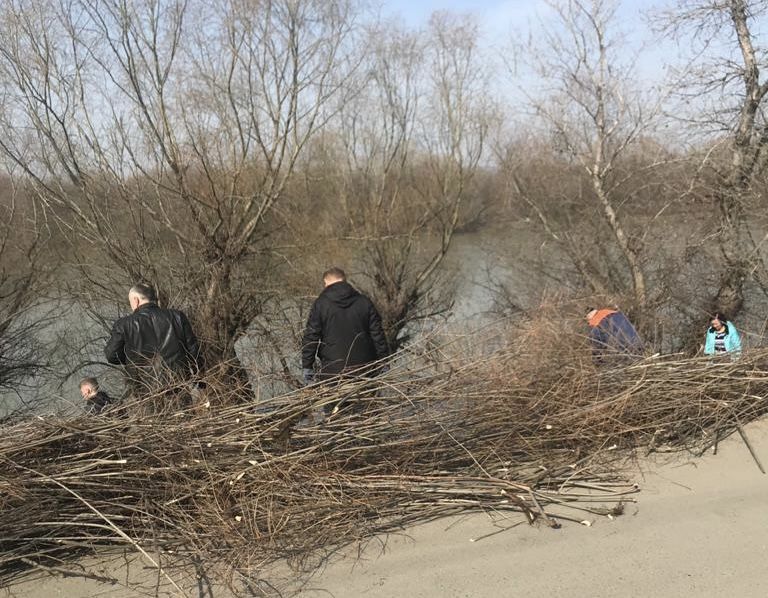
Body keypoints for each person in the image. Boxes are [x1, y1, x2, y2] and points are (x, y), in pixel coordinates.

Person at [104, 283, 202, 396]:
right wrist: (199, 379)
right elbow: (193, 351)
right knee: (182, 407)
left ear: (135, 300)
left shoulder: (124, 325)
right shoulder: (177, 316)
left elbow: (111, 355)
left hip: (145, 389)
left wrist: (132, 358)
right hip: (178, 385)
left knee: (153, 408)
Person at [301, 267, 389, 391]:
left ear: (327, 283)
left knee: (335, 404)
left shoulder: (321, 304)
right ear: (344, 280)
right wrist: (384, 362)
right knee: (367, 401)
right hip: (365, 372)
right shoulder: (364, 302)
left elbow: (311, 337)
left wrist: (307, 367)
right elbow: (378, 335)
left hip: (333, 374)